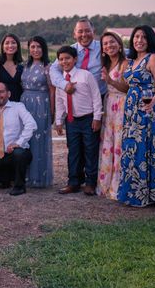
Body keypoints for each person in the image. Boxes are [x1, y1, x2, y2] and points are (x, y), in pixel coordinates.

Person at [118, 25, 155, 207]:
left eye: (143, 37)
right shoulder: (131, 60)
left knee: (145, 148)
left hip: (147, 110)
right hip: (131, 111)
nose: (139, 40)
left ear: (149, 40)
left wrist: (152, 104)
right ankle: (132, 192)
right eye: (136, 37)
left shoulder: (153, 58)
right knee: (132, 148)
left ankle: (148, 195)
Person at [54, 46, 103, 196]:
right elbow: (60, 101)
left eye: (67, 58)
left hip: (88, 119)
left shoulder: (85, 75)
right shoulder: (60, 80)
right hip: (71, 121)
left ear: (75, 59)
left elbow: (96, 97)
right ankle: (74, 182)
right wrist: (58, 121)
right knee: (73, 152)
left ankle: (90, 183)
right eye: (61, 59)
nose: (64, 61)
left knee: (90, 150)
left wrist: (97, 118)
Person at [96, 32, 128, 200]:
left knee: (119, 144)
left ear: (119, 44)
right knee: (108, 144)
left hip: (121, 106)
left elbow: (127, 88)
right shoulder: (106, 63)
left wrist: (110, 80)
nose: (109, 46)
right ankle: (105, 185)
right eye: (105, 44)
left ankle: (117, 186)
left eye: (112, 42)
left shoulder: (125, 63)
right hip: (109, 107)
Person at [21, 36, 55, 188]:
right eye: (33, 47)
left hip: (42, 105)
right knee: (25, 139)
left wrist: (53, 112)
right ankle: (24, 175)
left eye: (39, 47)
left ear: (44, 48)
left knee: (38, 140)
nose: (36, 50)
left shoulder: (49, 67)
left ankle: (38, 177)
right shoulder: (24, 65)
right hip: (25, 103)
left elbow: (52, 91)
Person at [50, 18, 106, 97]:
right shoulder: (68, 51)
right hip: (75, 97)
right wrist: (64, 85)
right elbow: (54, 69)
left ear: (94, 32)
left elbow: (124, 51)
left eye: (87, 31)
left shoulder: (104, 47)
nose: (84, 35)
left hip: (100, 96)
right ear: (74, 34)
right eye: (80, 31)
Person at [0, 33, 24, 102]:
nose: (10, 45)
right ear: (2, 47)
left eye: (13, 43)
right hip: (1, 102)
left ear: (17, 46)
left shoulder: (22, 64)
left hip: (18, 102)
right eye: (7, 43)